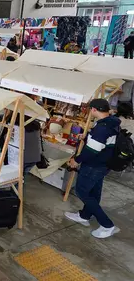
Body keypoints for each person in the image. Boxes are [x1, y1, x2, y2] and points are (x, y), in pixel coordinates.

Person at [65, 98, 121, 238]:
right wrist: (87, 137)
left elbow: (92, 151)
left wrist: (76, 160)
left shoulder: (103, 127)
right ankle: (85, 215)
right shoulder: (111, 122)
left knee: (82, 191)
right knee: (94, 192)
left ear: (94, 109)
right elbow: (102, 143)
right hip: (103, 164)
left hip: (94, 165)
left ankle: (107, 225)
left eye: (90, 109)